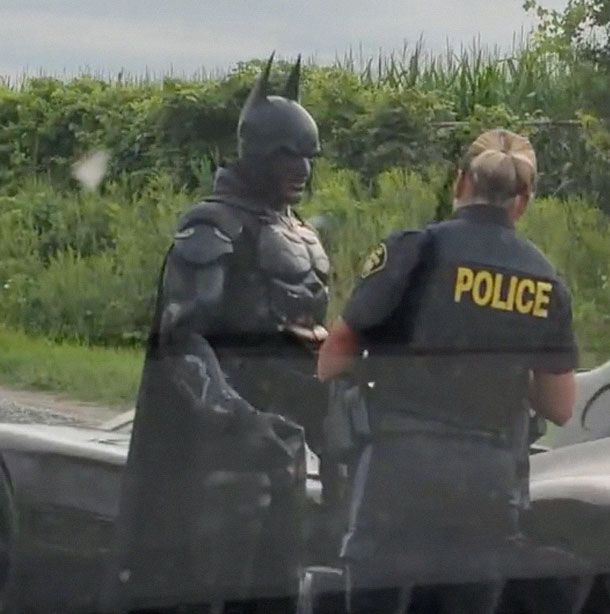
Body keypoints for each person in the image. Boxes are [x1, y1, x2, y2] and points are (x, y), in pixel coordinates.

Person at [317, 129, 577, 613]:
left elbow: (335, 355)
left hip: (397, 471)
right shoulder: (544, 280)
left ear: (460, 183)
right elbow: (559, 406)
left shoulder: (414, 250)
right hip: (486, 483)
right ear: (521, 202)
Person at [105, 54, 331, 613]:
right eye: (286, 153)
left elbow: (307, 345)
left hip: (283, 450)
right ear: (255, 149)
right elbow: (182, 340)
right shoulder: (212, 225)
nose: (300, 167)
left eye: (307, 155)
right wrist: (239, 420)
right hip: (216, 457)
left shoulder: (299, 233)